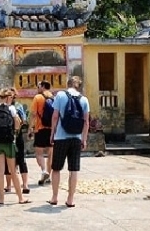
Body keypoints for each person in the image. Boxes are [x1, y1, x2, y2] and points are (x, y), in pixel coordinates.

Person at [48, 76, 90, 208]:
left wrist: (52, 133)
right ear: (79, 86)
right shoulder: (84, 99)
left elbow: (55, 116)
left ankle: (54, 197)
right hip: (76, 138)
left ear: (68, 84)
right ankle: (70, 199)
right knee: (74, 170)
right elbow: (86, 122)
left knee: (56, 168)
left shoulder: (60, 95)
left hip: (61, 137)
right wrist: (84, 138)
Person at [0, 88, 29, 205]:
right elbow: (17, 125)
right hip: (8, 143)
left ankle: (1, 198)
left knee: (0, 171)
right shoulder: (11, 108)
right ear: (9, 97)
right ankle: (20, 198)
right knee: (13, 171)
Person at [4, 87, 29, 195]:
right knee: (21, 159)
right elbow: (24, 120)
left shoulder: (3, 108)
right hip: (17, 136)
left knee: (7, 161)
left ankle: (9, 186)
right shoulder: (18, 106)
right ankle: (25, 184)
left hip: (6, 137)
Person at [29, 80, 54, 185]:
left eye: (39, 86)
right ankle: (49, 176)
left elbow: (34, 114)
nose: (37, 88)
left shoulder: (37, 98)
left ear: (43, 86)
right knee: (50, 153)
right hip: (52, 129)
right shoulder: (54, 98)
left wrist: (30, 128)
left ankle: (44, 171)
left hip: (40, 128)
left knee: (39, 152)